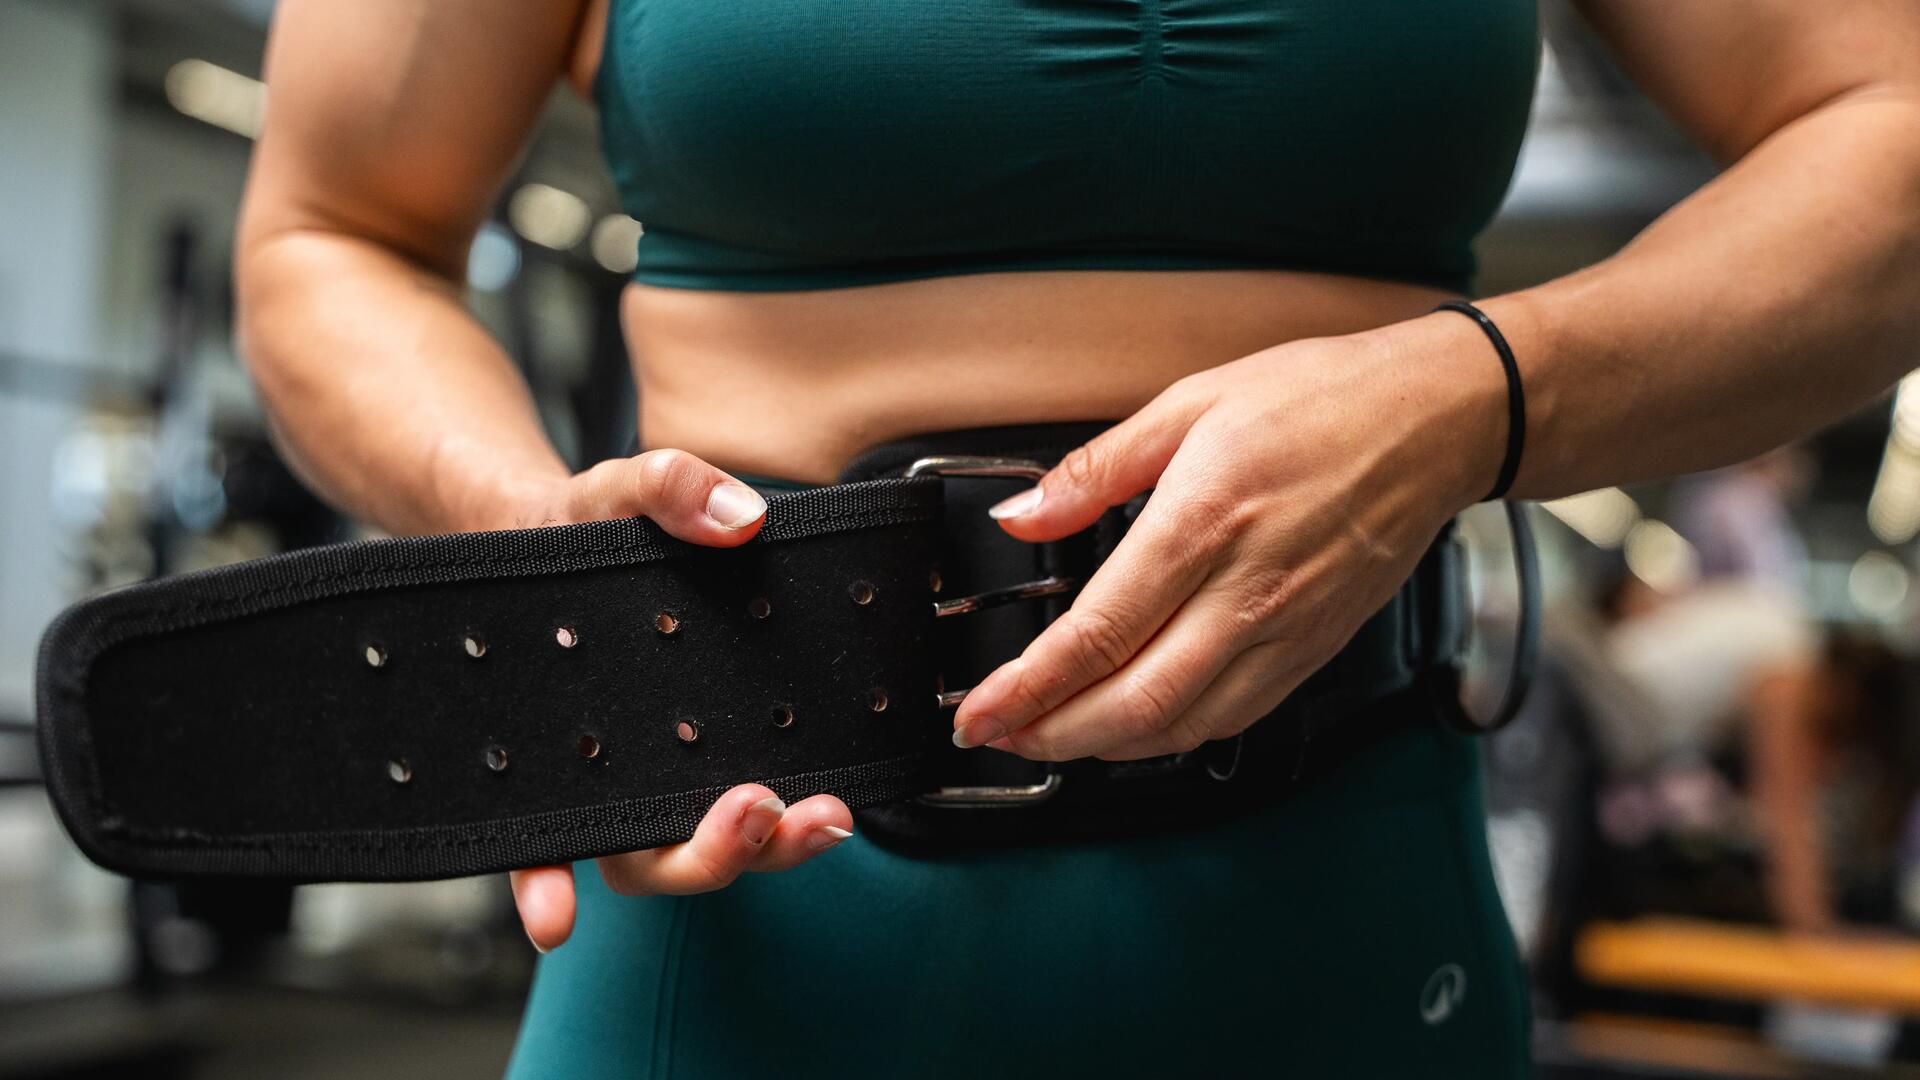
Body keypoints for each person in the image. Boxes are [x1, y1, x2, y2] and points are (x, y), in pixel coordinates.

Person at [233, 1, 1920, 1075]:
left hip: (1345, 899)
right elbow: (331, 230)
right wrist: (547, 561)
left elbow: (1890, 134)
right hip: (766, 901)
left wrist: (1480, 389)